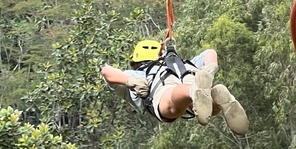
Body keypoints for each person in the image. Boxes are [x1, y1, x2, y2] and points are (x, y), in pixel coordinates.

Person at [101, 39, 249, 135]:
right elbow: (210, 53)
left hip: (160, 88)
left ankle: (192, 92)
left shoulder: (136, 73)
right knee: (209, 105)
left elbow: (106, 71)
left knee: (172, 105)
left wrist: (129, 80)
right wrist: (211, 65)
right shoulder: (176, 62)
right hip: (188, 73)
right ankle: (221, 99)